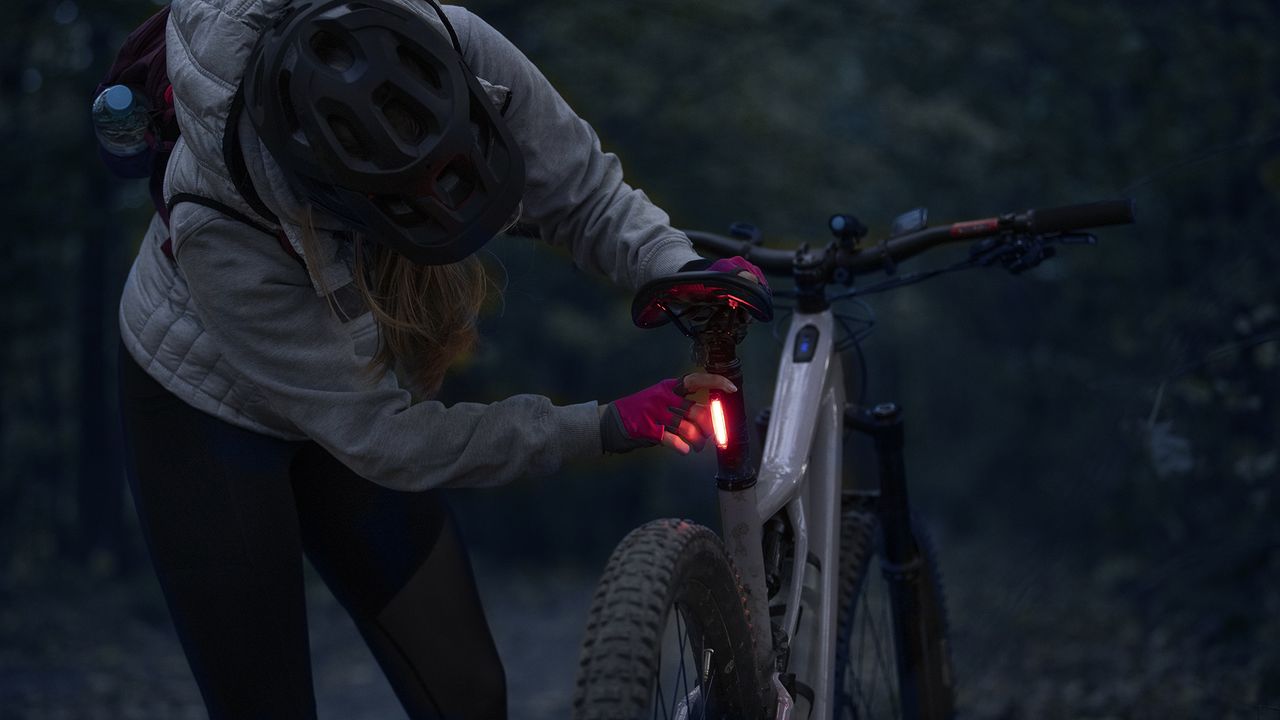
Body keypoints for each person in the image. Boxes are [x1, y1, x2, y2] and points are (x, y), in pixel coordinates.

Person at [115, 0, 767, 718]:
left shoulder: (449, 39)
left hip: (348, 378)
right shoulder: (219, 221)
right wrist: (601, 425)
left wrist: (679, 269)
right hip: (206, 411)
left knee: (468, 694)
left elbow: (585, 192)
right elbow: (388, 441)